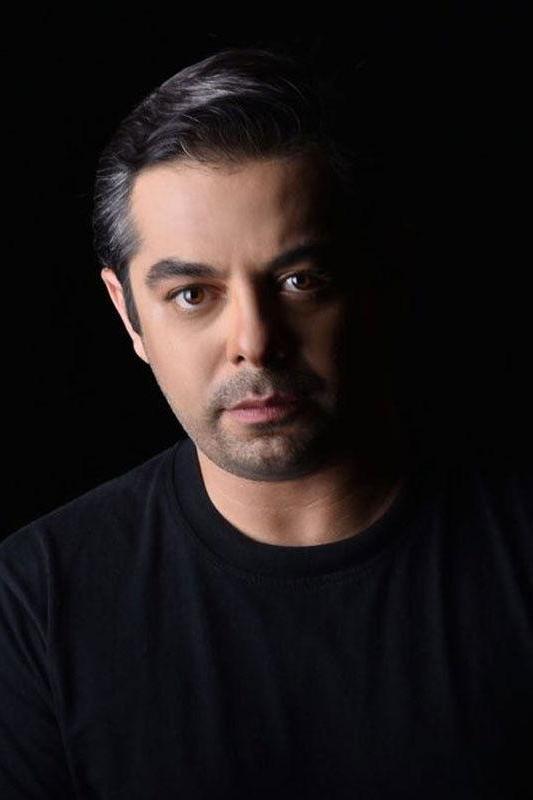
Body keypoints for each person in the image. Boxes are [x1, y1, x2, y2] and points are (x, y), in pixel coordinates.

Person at [1, 47, 531, 800]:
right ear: (127, 313)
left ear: (372, 281)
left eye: (298, 280)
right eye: (193, 294)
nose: (254, 340)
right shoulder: (35, 601)